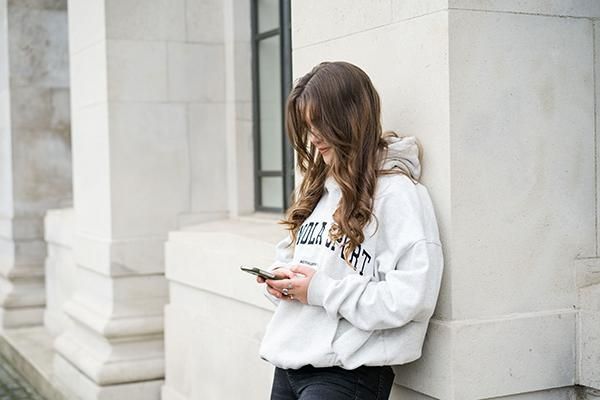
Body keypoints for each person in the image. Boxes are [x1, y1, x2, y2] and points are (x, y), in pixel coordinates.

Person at [256, 61, 444, 400]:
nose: (313, 136)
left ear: (349, 117)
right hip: (289, 362)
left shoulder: (398, 194)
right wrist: (280, 282)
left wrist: (319, 291)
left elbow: (412, 298)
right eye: (307, 125)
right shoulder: (319, 190)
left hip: (348, 375)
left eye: (319, 123)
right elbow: (292, 257)